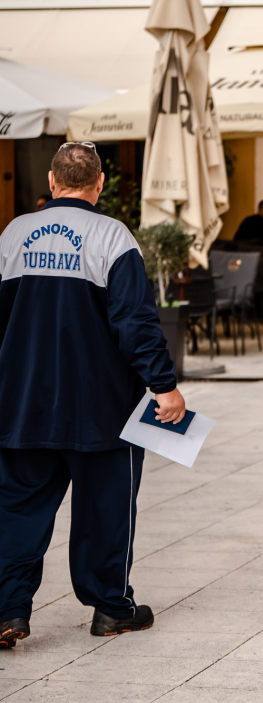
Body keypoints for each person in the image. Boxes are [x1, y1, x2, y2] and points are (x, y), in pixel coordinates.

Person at [0, 142, 185, 649]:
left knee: (17, 510)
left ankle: (8, 611)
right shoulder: (112, 236)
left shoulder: (13, 234)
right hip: (101, 410)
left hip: (21, 406)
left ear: (54, 183)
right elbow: (134, 321)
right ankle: (110, 610)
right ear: (98, 184)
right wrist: (163, 385)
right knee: (105, 509)